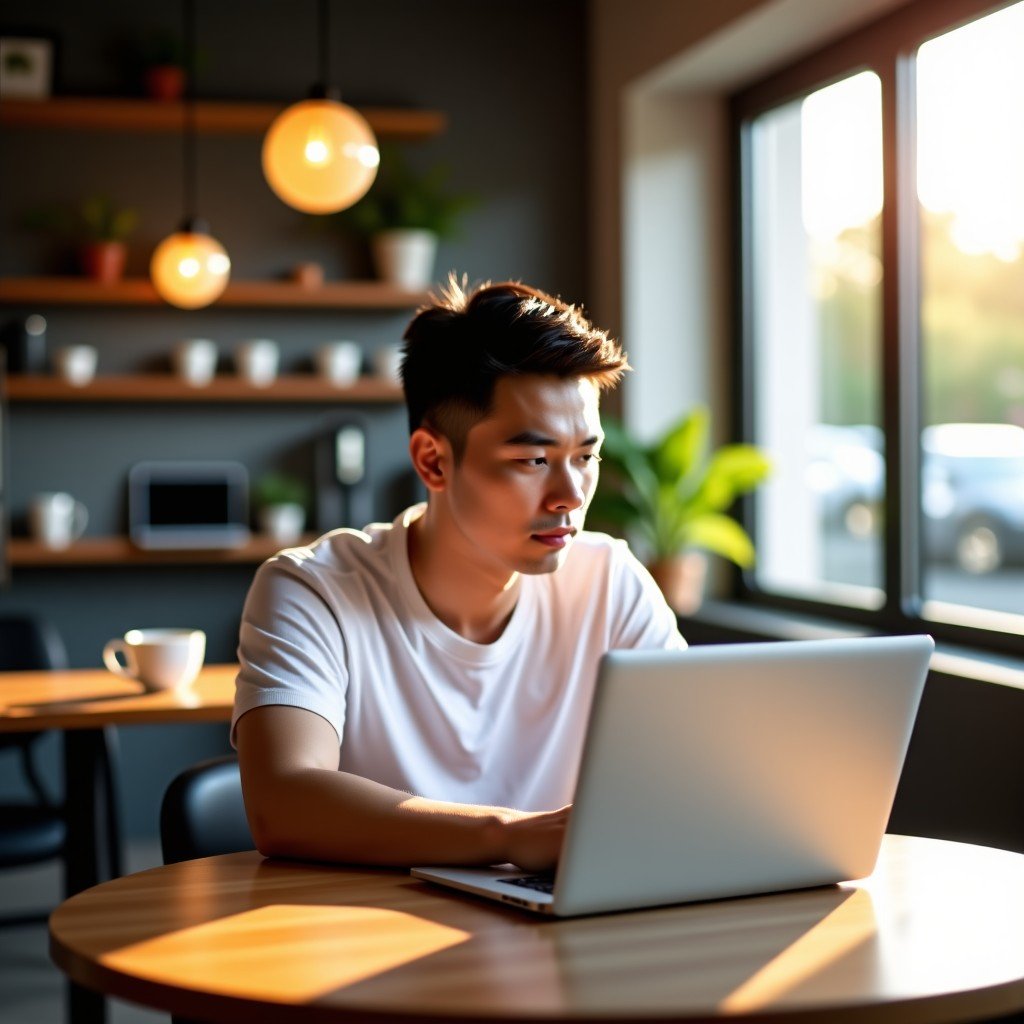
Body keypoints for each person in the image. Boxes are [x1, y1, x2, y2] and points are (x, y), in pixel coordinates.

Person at [233, 277, 686, 872]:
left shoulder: (610, 580)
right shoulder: (312, 590)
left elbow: (696, 770)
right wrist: (508, 837)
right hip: (370, 937)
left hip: (565, 934)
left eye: (585, 456)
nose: (570, 495)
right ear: (433, 460)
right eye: (533, 460)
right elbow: (284, 800)